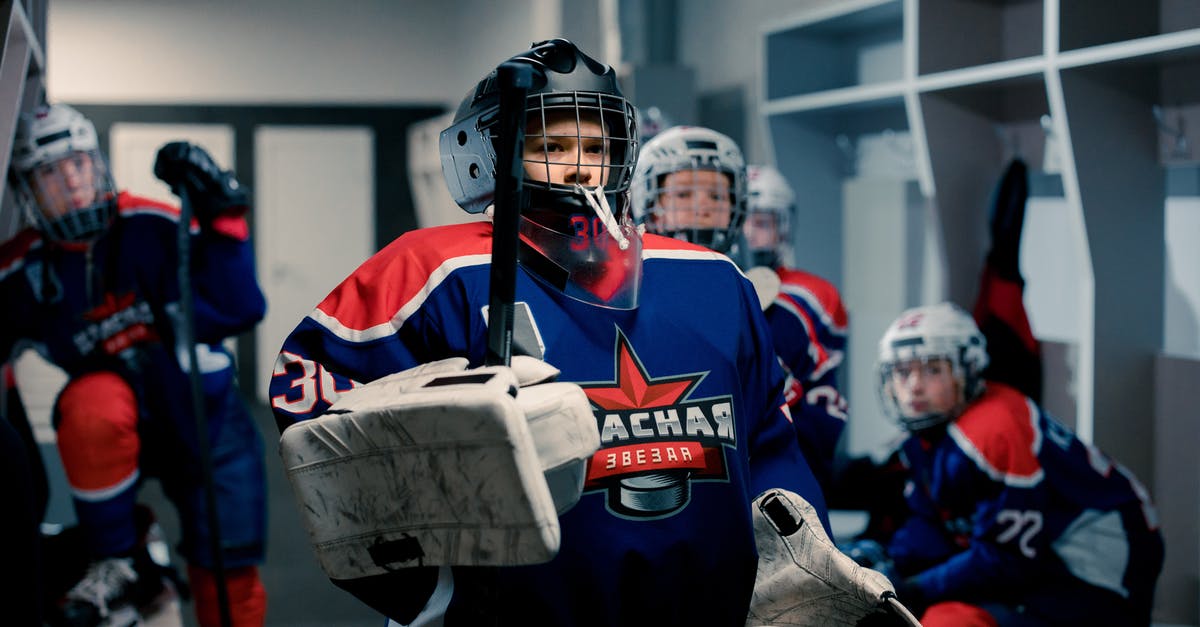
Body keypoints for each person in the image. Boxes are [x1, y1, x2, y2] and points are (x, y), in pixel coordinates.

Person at [269, 39, 905, 627]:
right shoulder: (432, 271)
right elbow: (314, 406)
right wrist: (429, 587)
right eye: (551, 146)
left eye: (596, 148)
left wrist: (795, 557)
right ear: (490, 155)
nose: (578, 168)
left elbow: (768, 436)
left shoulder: (714, 280)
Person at [1, 103, 269, 627]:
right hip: (113, 425)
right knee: (91, 405)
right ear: (28, 187)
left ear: (96, 162)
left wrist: (225, 219)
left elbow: (242, 308)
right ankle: (120, 560)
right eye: (50, 172)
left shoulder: (152, 223)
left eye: (78, 163)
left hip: (206, 419)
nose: (71, 181)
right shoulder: (25, 265)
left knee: (229, 577)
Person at [864, 301, 1164, 626]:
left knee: (946, 621)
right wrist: (884, 560)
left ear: (968, 368)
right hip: (1038, 556)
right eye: (902, 371)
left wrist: (915, 588)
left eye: (932, 369)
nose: (914, 386)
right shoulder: (931, 430)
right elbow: (933, 522)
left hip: (1093, 569)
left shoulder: (994, 430)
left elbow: (1007, 559)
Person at [631, 128, 847, 495]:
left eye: (716, 195)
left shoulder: (771, 301)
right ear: (648, 199)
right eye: (683, 194)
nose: (701, 208)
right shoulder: (620, 291)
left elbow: (814, 421)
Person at [740, 163, 850, 493]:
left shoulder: (808, 294)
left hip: (791, 449)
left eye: (761, 222)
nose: (748, 233)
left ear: (783, 226)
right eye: (740, 220)